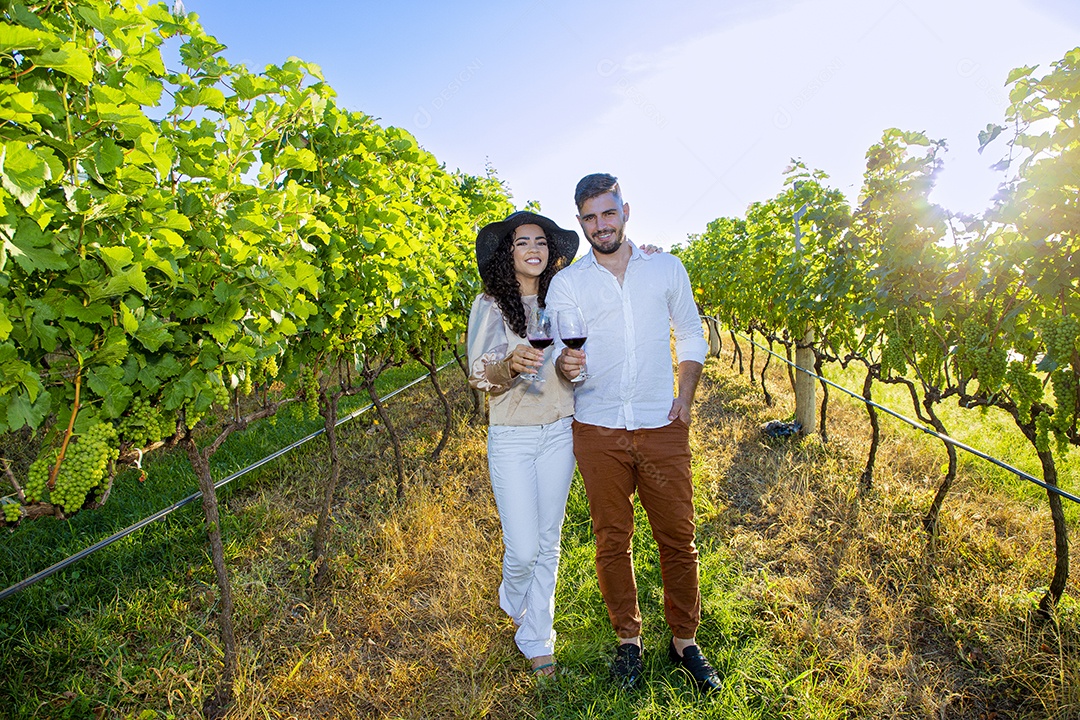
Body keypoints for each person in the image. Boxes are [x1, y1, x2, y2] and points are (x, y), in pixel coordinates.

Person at [547, 173, 722, 693]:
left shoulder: (666, 268)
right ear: (581, 223)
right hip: (596, 427)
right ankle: (629, 639)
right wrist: (566, 366)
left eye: (608, 212)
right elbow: (560, 359)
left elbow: (691, 333)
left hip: (660, 424)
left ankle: (685, 641)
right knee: (611, 539)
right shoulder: (568, 284)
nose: (601, 224)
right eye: (590, 217)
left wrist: (684, 400)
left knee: (678, 538)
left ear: (626, 210)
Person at [467, 210, 579, 677]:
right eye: (521, 242)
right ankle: (513, 600)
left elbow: (569, 365)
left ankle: (538, 637)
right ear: (507, 253)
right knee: (523, 549)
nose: (533, 249)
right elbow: (477, 374)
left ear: (550, 251)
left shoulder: (564, 298)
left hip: (560, 429)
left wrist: (572, 366)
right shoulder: (490, 305)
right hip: (512, 435)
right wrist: (509, 364)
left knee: (548, 542)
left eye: (541, 241)